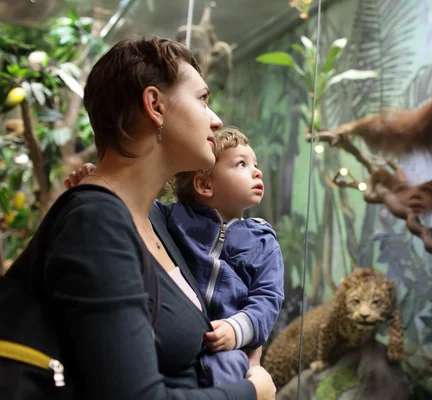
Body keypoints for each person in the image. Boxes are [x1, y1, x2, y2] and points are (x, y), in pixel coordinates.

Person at [16, 36, 276, 399]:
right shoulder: (96, 223)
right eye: (202, 99)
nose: (216, 121)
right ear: (154, 105)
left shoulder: (154, 218)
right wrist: (252, 393)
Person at [67, 128, 285, 388]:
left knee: (229, 370)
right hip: (170, 340)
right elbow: (132, 200)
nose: (257, 171)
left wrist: (237, 330)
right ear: (205, 185)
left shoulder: (263, 241)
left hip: (225, 351)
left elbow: (267, 300)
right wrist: (96, 178)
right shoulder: (173, 219)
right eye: (241, 164)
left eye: (255, 164)